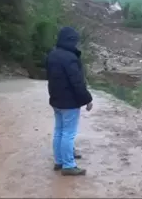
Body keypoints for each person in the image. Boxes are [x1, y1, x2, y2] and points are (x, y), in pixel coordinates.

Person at [45, 26, 93, 176]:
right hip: (69, 102)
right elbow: (77, 82)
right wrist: (87, 99)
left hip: (56, 100)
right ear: (71, 41)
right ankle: (68, 165)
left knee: (59, 131)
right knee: (68, 133)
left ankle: (59, 161)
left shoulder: (52, 55)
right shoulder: (70, 58)